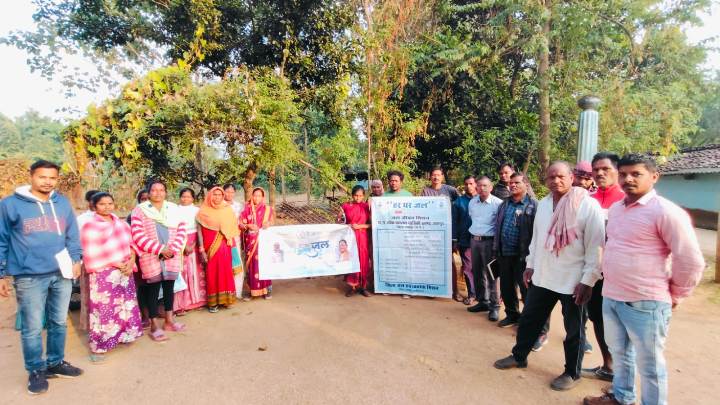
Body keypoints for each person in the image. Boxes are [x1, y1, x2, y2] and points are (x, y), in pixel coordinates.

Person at [583, 154, 705, 405]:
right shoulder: (617, 209)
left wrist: (677, 294)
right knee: (620, 353)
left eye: (636, 174)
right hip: (612, 295)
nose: (628, 179)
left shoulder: (666, 212)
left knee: (650, 365)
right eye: (624, 173)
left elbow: (690, 260)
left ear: (654, 177)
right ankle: (622, 397)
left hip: (646, 301)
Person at [494, 161, 605, 392]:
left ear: (571, 177)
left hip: (574, 280)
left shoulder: (587, 205)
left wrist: (588, 281)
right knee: (529, 320)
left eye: (561, 176)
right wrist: (530, 265)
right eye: (551, 177)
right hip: (544, 276)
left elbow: (596, 247)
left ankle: (572, 373)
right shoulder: (544, 204)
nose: (556, 181)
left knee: (574, 330)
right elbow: (537, 238)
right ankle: (519, 356)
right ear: (545, 180)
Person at [0, 160, 84, 395]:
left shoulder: (62, 203)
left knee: (59, 321)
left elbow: (72, 234)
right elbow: (1, 240)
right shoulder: (10, 205)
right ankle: (36, 370)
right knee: (33, 326)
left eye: (52, 178)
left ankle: (55, 362)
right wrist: (1, 274)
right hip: (29, 276)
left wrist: (76, 259)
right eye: (42, 177)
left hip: (62, 272)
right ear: (32, 177)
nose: (47, 182)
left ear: (57, 179)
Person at [80, 192, 142, 362]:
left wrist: (131, 260)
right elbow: (91, 252)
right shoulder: (90, 227)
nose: (106, 207)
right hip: (104, 273)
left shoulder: (121, 224)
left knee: (124, 305)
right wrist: (115, 263)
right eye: (102, 204)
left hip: (125, 271)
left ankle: (124, 335)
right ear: (94, 206)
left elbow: (131, 245)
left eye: (110, 203)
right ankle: (102, 343)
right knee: (105, 308)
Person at [580, 152, 624, 382]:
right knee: (597, 318)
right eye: (596, 169)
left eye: (605, 169)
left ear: (617, 170)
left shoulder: (626, 199)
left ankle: (622, 373)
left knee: (620, 324)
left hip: (619, 275)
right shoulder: (589, 198)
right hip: (593, 272)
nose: (599, 173)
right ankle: (608, 366)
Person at [130, 180, 188, 342]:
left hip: (172, 254)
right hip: (151, 255)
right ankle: (154, 324)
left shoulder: (173, 209)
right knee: (153, 289)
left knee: (169, 287)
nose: (158, 193)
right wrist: (159, 249)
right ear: (148, 193)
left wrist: (173, 249)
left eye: (161, 190)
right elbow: (137, 235)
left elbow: (182, 230)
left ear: (166, 192)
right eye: (154, 190)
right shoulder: (139, 211)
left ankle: (169, 320)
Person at [494, 173, 539, 328]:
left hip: (523, 256)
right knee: (507, 288)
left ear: (526, 184)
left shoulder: (534, 206)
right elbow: (498, 227)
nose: (512, 185)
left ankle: (527, 322)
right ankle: (512, 315)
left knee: (526, 290)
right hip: (504, 253)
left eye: (517, 182)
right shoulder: (504, 204)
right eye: (511, 183)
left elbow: (537, 233)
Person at [197, 186, 242, 312]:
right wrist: (201, 249)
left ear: (223, 196)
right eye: (215, 194)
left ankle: (227, 299)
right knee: (212, 273)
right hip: (210, 247)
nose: (217, 197)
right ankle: (213, 303)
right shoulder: (203, 210)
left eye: (219, 195)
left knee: (226, 272)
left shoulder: (227, 210)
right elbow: (199, 231)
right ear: (210, 195)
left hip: (225, 246)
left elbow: (232, 229)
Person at [466, 176, 503, 321]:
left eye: (485, 186)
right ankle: (483, 302)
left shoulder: (498, 204)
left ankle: (495, 307)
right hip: (474, 241)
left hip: (490, 242)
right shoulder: (472, 202)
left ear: (491, 187)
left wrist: (496, 246)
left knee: (492, 275)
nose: (482, 188)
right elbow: (472, 219)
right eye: (479, 185)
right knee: (477, 272)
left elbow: (499, 226)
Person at [173, 188, 207, 314]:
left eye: (188, 197)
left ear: (193, 198)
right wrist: (184, 245)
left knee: (196, 271)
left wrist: (195, 244)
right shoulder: (174, 210)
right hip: (180, 241)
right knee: (182, 272)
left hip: (195, 241)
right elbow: (174, 228)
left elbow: (199, 229)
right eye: (183, 196)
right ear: (180, 197)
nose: (185, 199)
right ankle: (182, 304)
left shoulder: (197, 210)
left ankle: (199, 300)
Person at [240, 187, 274, 299]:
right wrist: (248, 225)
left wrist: (268, 224)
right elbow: (241, 223)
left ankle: (267, 290)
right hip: (250, 240)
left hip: (263, 241)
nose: (256, 198)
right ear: (251, 196)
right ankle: (251, 291)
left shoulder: (267, 209)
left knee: (264, 263)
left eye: (259, 196)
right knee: (252, 265)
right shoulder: (246, 208)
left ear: (263, 197)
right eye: (255, 195)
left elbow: (271, 222)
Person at [339, 185, 372, 297]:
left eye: (360, 196)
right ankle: (353, 287)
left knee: (363, 261)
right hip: (350, 238)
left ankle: (363, 287)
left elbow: (371, 224)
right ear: (352, 195)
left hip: (362, 237)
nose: (358, 198)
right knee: (351, 259)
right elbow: (339, 222)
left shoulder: (367, 207)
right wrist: (348, 225)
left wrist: (360, 226)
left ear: (364, 196)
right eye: (356, 195)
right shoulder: (345, 206)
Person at [452, 175, 478, 305]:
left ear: (476, 184)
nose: (469, 186)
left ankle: (483, 294)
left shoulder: (482, 199)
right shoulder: (458, 202)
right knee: (468, 268)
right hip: (464, 240)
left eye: (471, 183)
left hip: (482, 240)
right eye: (466, 184)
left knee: (481, 268)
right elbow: (454, 222)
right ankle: (472, 294)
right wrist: (455, 240)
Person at [76, 189, 99, 332]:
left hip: (111, 265)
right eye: (93, 200)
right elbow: (77, 241)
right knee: (89, 295)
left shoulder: (112, 217)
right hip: (89, 261)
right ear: (89, 202)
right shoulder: (82, 219)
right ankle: (90, 325)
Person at [128, 189, 150, 328]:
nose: (146, 201)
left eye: (149, 198)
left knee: (156, 285)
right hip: (140, 255)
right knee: (142, 287)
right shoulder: (133, 216)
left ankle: (158, 310)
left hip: (157, 254)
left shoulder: (162, 215)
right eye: (143, 199)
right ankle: (145, 315)